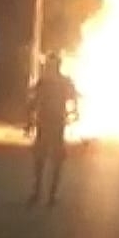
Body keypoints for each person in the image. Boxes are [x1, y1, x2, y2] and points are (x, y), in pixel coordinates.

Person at [25, 56, 78, 207]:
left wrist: (29, 121)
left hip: (49, 123)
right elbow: (73, 100)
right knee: (52, 160)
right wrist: (74, 113)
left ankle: (41, 194)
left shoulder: (46, 82)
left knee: (44, 160)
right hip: (52, 124)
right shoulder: (58, 82)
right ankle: (48, 195)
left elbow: (33, 103)